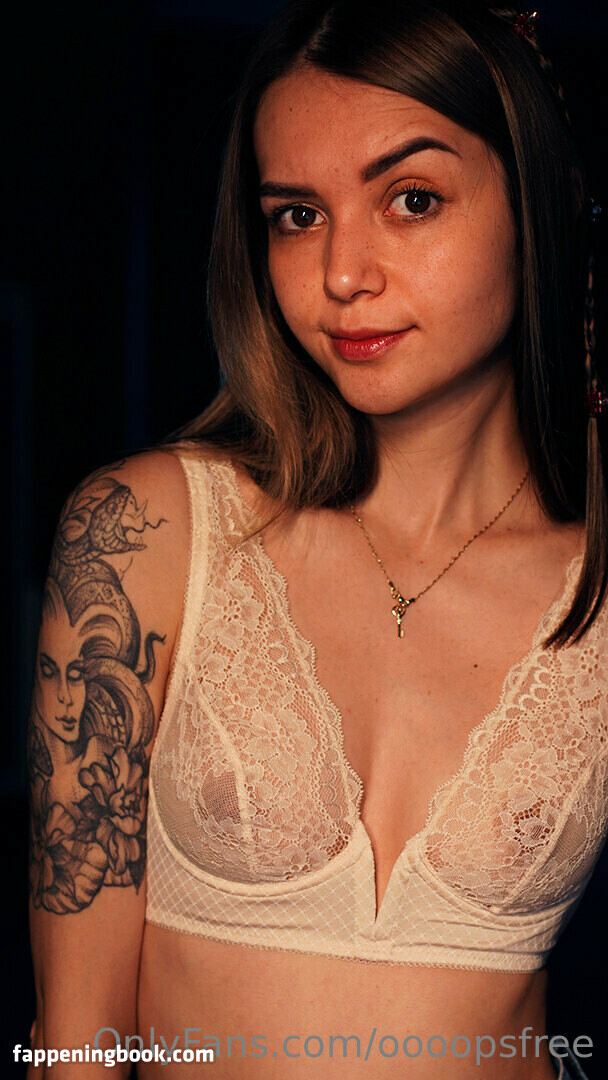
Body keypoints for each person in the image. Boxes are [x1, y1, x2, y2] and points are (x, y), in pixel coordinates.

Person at [27, 1, 606, 1077]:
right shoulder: (146, 534)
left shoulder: (598, 584)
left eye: (411, 200)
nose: (342, 273)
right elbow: (75, 1042)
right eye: (296, 215)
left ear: (538, 204)